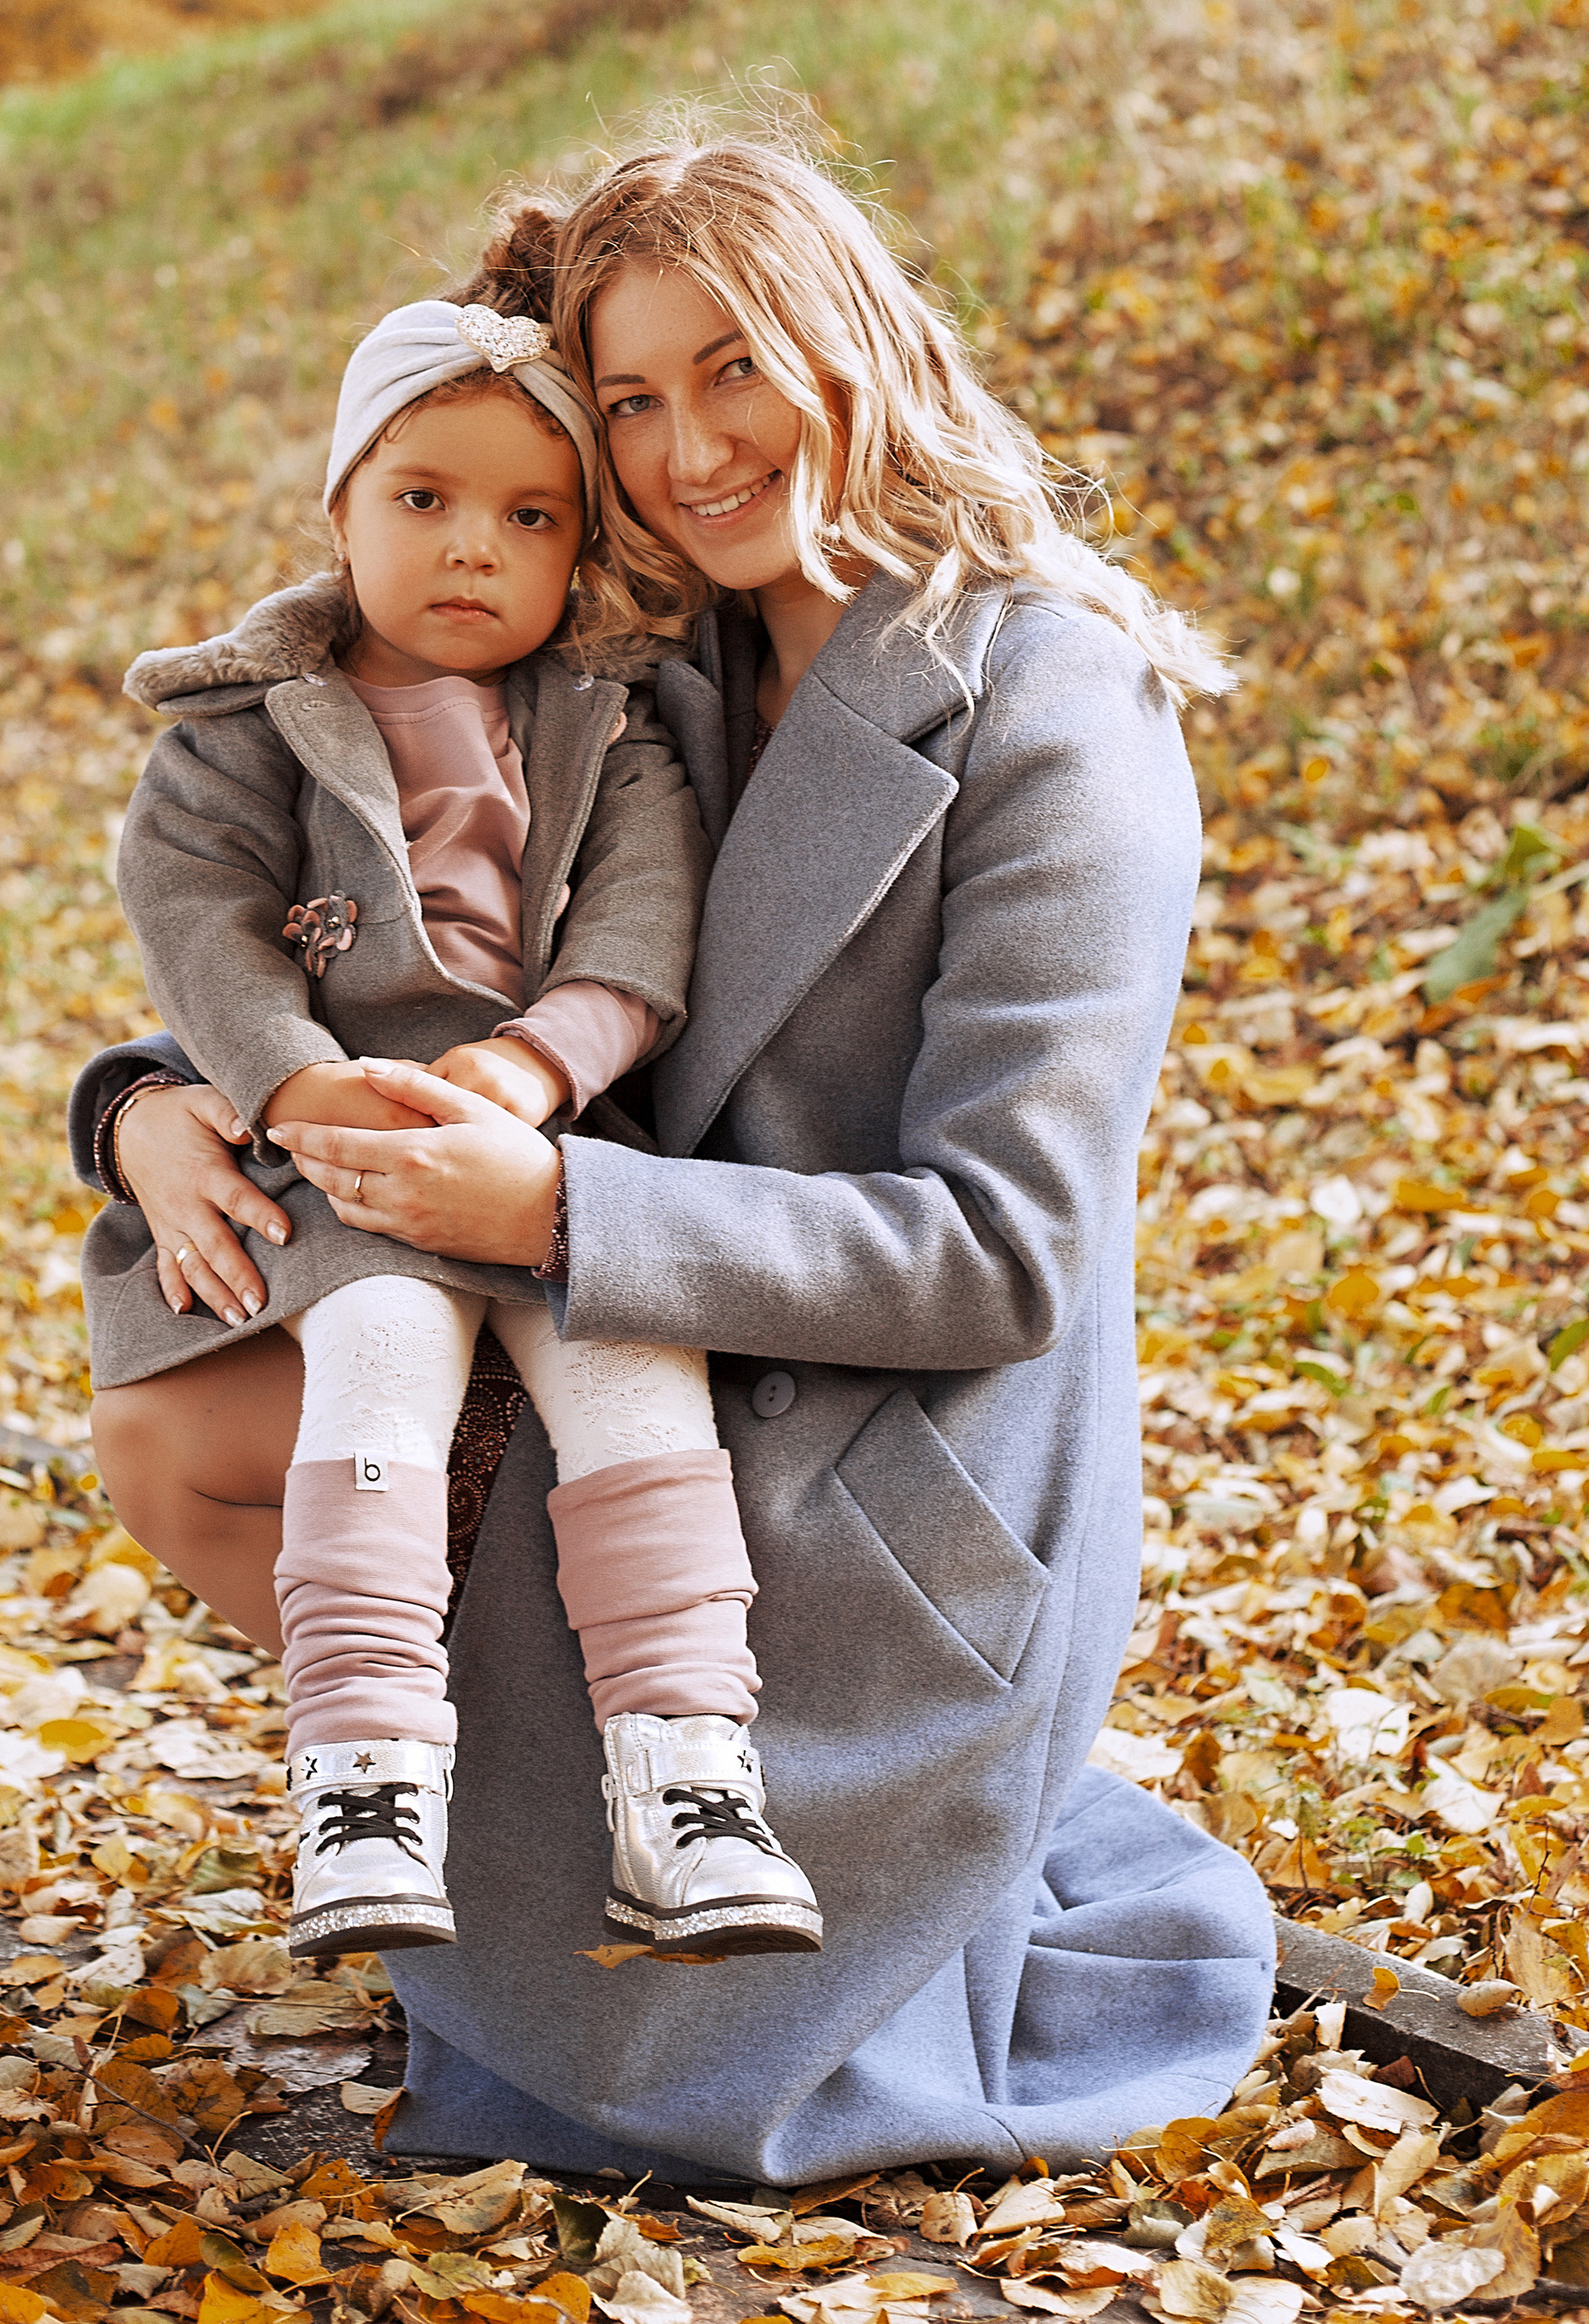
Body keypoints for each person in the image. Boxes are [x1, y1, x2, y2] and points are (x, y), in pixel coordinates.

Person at [77, 133, 1276, 2187]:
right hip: (638, 1317)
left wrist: (549, 1210)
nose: (689, 445)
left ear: (852, 342)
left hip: (895, 1424)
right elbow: (357, 921)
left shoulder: (1059, 714)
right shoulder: (644, 658)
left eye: (732, 366)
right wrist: (141, 1097)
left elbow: (1002, 1255)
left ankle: (638, 1818)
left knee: (654, 2063)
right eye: (627, 399)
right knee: (186, 1399)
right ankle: (448, 1785)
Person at [97, 253, 822, 1963]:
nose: (472, 547)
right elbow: (190, 910)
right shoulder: (249, 723)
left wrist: (534, 1062)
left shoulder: (605, 724)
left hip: (561, 1145)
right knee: (381, 1367)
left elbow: (645, 927)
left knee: (641, 1378)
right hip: (342, 1149)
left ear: (580, 550)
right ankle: (365, 1771)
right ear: (339, 505)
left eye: (529, 517)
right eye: (422, 499)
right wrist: (282, 1071)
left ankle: (687, 1775)